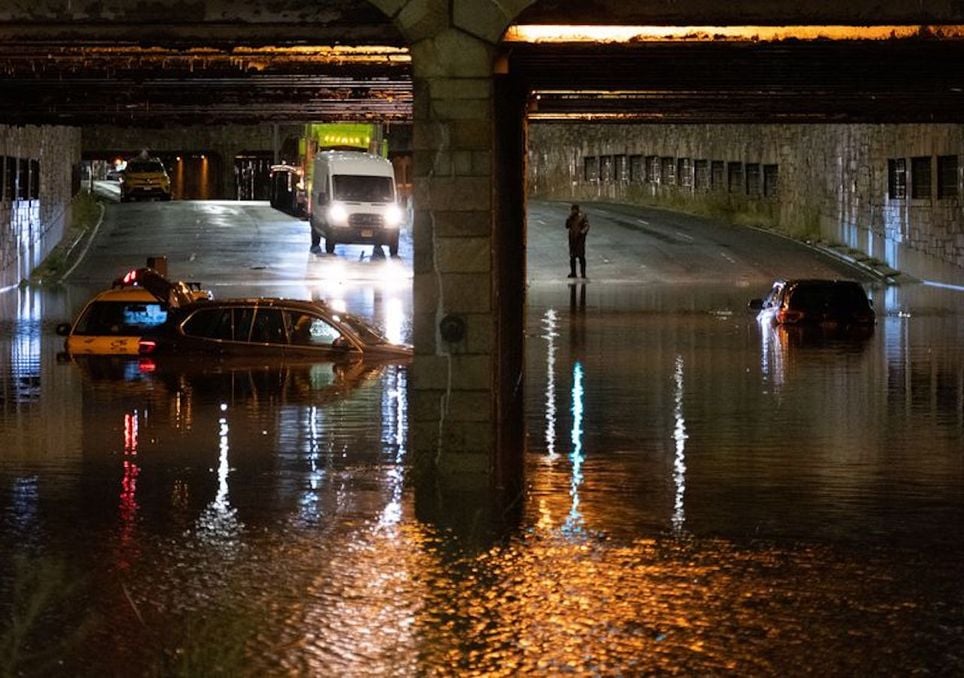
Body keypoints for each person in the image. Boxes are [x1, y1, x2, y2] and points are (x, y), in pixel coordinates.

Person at [565, 203, 590, 278]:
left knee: (581, 257)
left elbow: (587, 226)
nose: (573, 211)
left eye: (574, 210)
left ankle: (583, 273)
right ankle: (573, 273)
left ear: (577, 210)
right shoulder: (571, 218)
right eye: (572, 210)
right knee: (572, 257)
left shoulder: (582, 217)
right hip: (572, 240)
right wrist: (569, 217)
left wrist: (582, 232)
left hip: (579, 240)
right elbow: (566, 226)